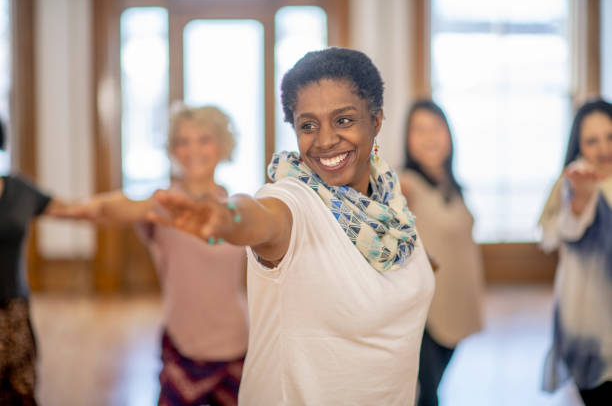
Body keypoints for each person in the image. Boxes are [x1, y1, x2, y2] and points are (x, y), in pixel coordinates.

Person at [150, 47, 435, 405]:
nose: (326, 139)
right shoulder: (293, 200)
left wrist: (423, 266)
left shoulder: (391, 209)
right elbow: (260, 216)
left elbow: (396, 272)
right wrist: (225, 217)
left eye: (343, 120)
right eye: (308, 125)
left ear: (376, 120)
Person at [81, 104, 249, 406]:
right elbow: (116, 209)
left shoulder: (237, 206)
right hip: (184, 347)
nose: (192, 149)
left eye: (203, 139)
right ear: (172, 149)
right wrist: (73, 208)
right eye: (182, 141)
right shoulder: (161, 205)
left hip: (238, 343)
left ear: (223, 145)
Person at [399, 100, 484, 406]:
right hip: (425, 314)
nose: (429, 137)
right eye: (418, 129)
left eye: (435, 128)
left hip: (454, 305)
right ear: (407, 139)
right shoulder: (405, 185)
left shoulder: (451, 184)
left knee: (434, 389)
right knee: (428, 394)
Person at [0, 120, 89, 405]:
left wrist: (139, 207)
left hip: (12, 311)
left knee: (19, 394)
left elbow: (76, 210)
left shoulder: (19, 190)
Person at [539, 99, 612, 405]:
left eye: (610, 137)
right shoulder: (574, 180)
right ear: (578, 145)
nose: (603, 149)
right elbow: (553, 236)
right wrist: (580, 203)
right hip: (587, 323)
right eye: (592, 141)